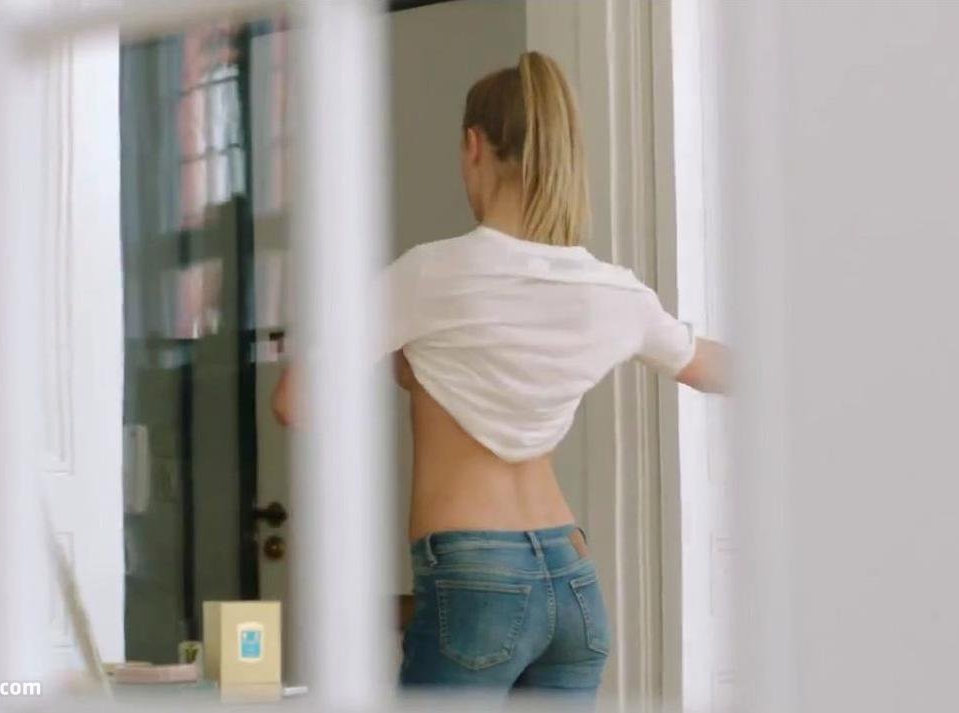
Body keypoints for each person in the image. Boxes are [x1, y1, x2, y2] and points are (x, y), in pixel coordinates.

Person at [272, 51, 728, 699]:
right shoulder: (613, 292)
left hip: (474, 576)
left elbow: (296, 402)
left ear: (473, 146)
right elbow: (712, 366)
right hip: (572, 579)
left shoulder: (427, 274)